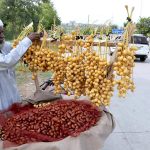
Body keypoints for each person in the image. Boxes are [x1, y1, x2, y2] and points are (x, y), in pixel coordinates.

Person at [0, 19, 42, 110]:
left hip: (11, 93)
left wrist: (35, 40)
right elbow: (8, 61)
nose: (2, 36)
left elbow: (17, 49)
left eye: (2, 32)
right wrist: (28, 40)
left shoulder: (4, 46)